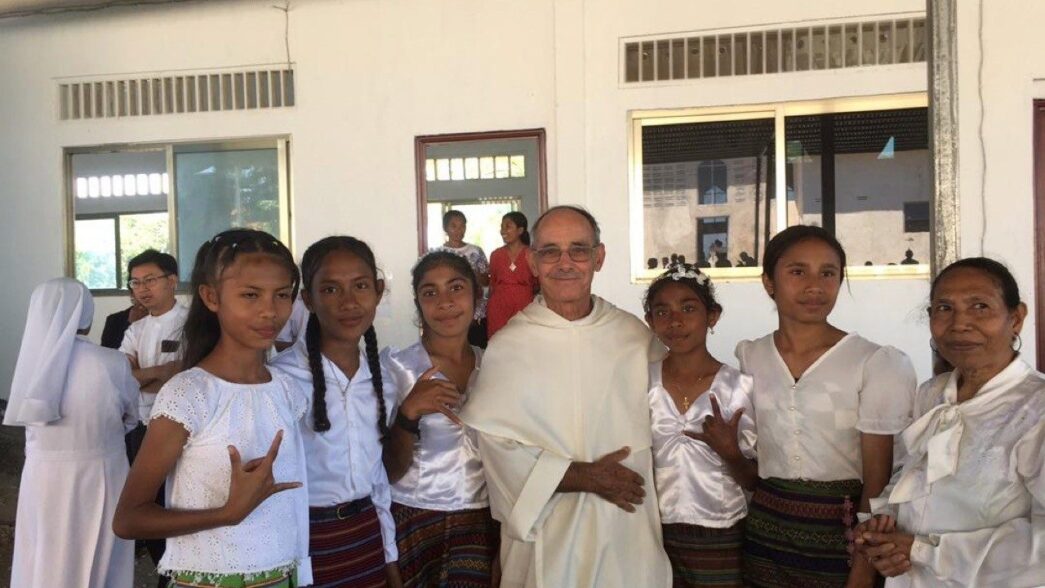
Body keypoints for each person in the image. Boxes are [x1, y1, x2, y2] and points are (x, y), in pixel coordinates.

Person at [461, 205, 672, 588]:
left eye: (578, 249)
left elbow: (669, 423)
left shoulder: (634, 337)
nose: (565, 263)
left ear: (599, 257)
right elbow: (493, 445)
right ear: (532, 261)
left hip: (624, 527)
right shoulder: (509, 345)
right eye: (550, 251)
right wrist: (581, 475)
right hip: (545, 531)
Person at [113, 229, 312, 588]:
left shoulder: (287, 391)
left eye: (282, 295)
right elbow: (129, 519)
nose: (270, 310)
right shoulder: (188, 393)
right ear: (211, 296)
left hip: (284, 574)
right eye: (250, 295)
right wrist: (228, 513)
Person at [738, 225, 917, 588]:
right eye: (797, 271)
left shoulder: (874, 363)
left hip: (843, 536)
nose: (814, 286)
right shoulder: (751, 356)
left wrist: (863, 568)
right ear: (769, 282)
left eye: (828, 273)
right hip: (767, 533)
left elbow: (878, 480)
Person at [853, 258, 1045, 587]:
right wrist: (884, 523)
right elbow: (909, 476)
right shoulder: (932, 394)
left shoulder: (1035, 409)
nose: (959, 324)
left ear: (1016, 318)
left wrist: (925, 551)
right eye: (944, 308)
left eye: (980, 306)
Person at [270, 236, 398, 587]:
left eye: (360, 286)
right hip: (305, 541)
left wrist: (389, 554)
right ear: (307, 299)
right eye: (330, 289)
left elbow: (378, 478)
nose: (349, 302)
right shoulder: (281, 379)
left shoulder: (385, 377)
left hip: (366, 537)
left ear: (379, 290)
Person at [6, 278, 139, 588]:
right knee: (99, 554)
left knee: (44, 551)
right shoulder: (111, 362)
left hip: (43, 477)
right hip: (100, 473)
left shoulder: (29, 367)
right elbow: (132, 416)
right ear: (85, 314)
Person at [384, 251, 499, 586]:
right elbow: (387, 470)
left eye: (456, 288)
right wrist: (408, 413)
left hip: (480, 519)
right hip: (413, 516)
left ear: (477, 297)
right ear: (418, 304)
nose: (445, 302)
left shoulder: (495, 367)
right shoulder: (396, 368)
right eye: (430, 292)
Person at [644, 264, 757, 587]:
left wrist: (731, 452)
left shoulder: (739, 387)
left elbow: (754, 481)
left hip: (721, 535)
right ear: (649, 322)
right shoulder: (640, 382)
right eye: (662, 312)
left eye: (689, 308)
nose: (675, 321)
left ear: (713, 316)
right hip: (652, 533)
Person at [118, 248, 188, 582]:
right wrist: (161, 373)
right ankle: (166, 571)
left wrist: (147, 375)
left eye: (150, 280)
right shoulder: (134, 330)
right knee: (149, 502)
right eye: (135, 282)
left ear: (172, 281)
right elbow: (123, 379)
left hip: (184, 430)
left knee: (181, 499)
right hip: (143, 429)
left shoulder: (193, 323)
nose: (142, 289)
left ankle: (185, 567)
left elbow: (186, 374)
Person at [434, 210, 490, 348]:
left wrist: (472, 272)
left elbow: (486, 281)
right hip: (450, 314)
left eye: (462, 226)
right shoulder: (438, 254)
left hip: (476, 316)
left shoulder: (476, 251)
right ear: (445, 228)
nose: (459, 230)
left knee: (478, 354)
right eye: (454, 226)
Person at [487, 211, 537, 339]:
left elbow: (539, 284)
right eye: (502, 227)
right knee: (498, 342)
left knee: (524, 341)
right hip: (498, 306)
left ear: (520, 230)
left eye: (508, 226)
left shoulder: (532, 254)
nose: (503, 230)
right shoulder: (496, 255)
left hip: (524, 306)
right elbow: (492, 284)